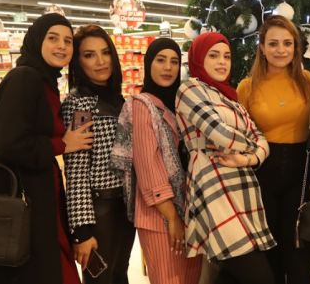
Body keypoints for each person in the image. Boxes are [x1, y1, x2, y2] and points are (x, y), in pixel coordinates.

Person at [0, 14, 91, 284]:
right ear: (36, 41)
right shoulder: (25, 77)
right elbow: (10, 141)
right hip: (20, 191)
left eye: (68, 41)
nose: (61, 46)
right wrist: (62, 144)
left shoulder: (45, 80)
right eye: (53, 38)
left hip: (36, 189)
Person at [175, 32, 275, 284]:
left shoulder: (232, 99)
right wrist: (251, 146)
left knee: (233, 276)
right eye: (213, 55)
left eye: (227, 56)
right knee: (259, 276)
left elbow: (264, 142)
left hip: (242, 188)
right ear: (199, 58)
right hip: (214, 188)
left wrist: (247, 159)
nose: (222, 62)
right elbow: (221, 135)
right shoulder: (190, 89)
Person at [110, 38, 202, 284]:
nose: (168, 67)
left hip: (189, 210)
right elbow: (148, 167)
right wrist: (173, 217)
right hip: (160, 215)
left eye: (174, 61)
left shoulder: (180, 105)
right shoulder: (143, 106)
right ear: (148, 64)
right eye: (160, 60)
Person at [236, 15, 310, 284]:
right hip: (262, 176)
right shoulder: (247, 87)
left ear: (295, 47)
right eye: (273, 43)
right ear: (262, 47)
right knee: (268, 248)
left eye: (287, 43)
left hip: (300, 175)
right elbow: (242, 136)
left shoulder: (307, 81)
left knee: (297, 249)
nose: (280, 50)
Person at [61, 25, 136, 283]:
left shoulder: (118, 99)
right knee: (100, 280)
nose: (101, 61)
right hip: (99, 210)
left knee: (119, 275)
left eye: (105, 52)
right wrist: (81, 231)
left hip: (123, 207)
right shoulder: (80, 104)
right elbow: (76, 170)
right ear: (78, 62)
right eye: (89, 55)